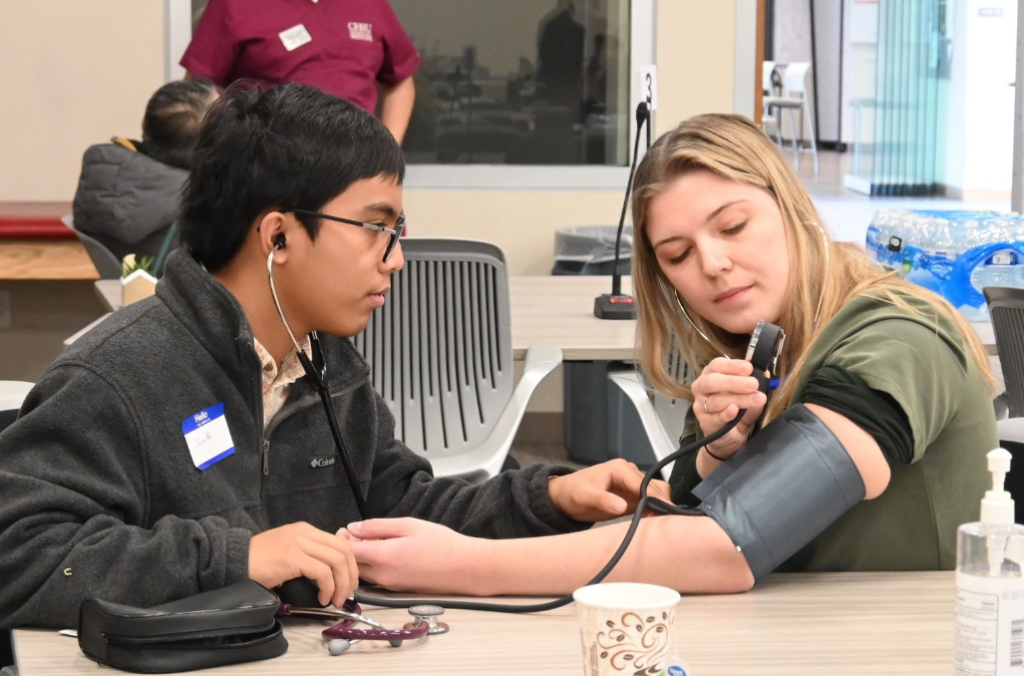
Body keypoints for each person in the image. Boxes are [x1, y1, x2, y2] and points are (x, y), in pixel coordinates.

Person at [0, 82, 669, 629]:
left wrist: (550, 497)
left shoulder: (327, 366)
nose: (397, 258)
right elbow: (22, 559)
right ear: (278, 236)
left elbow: (400, 510)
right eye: (377, 227)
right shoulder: (117, 376)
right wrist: (238, 557)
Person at [339, 113, 998, 595]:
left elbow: (727, 544)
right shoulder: (756, 354)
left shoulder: (898, 337)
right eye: (678, 255)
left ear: (791, 208)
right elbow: (691, 512)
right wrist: (716, 451)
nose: (713, 264)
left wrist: (463, 566)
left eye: (734, 226)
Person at [180, 0, 419, 144]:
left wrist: (389, 150)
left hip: (360, 169)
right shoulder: (234, 4)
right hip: (270, 172)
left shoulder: (369, 4)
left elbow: (400, 81)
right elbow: (198, 91)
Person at [72, 79, 219, 271]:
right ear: (216, 144)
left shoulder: (99, 174)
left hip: (125, 295)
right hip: (173, 298)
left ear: (143, 125)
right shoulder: (206, 206)